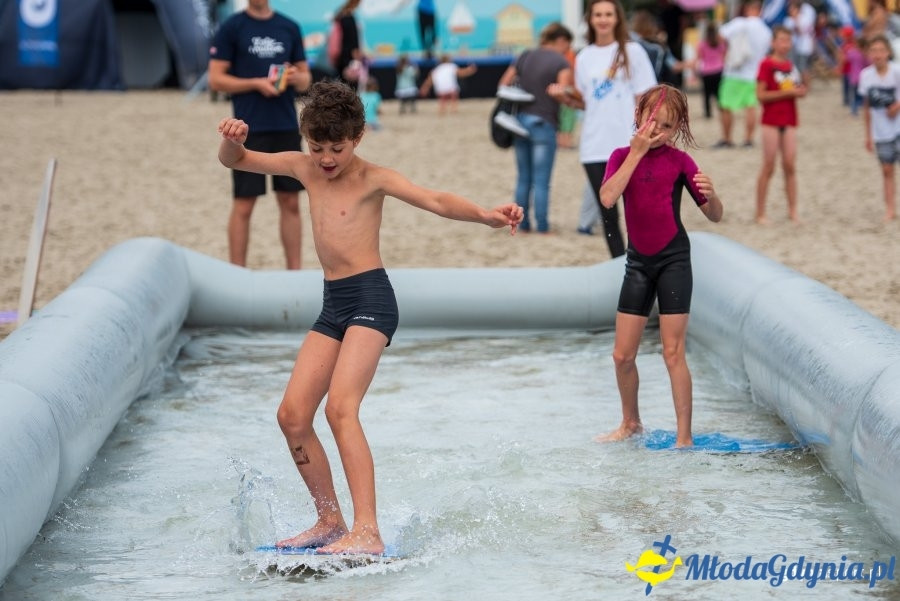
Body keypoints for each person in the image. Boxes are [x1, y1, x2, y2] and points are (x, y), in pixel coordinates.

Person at [216, 81, 523, 555]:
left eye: (336, 149)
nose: (326, 159)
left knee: (341, 408)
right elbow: (236, 161)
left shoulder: (374, 178)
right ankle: (329, 520)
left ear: (357, 137)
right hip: (333, 304)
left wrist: (486, 215)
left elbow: (435, 200)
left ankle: (368, 531)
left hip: (371, 300)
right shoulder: (302, 166)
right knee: (292, 416)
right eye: (317, 147)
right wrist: (231, 141)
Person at [596, 84, 724, 448]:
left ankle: (684, 438)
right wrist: (636, 153)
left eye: (667, 127)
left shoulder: (680, 162)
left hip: (673, 260)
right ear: (638, 116)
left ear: (677, 128)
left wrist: (713, 196)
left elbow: (714, 216)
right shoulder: (621, 156)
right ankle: (631, 422)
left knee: (672, 352)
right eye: (653, 122)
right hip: (638, 263)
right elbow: (608, 198)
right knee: (622, 355)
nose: (658, 132)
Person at [208, 0, 311, 270]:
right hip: (245, 128)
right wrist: (256, 83)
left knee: (290, 202)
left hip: (285, 124)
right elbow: (215, 79)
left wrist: (294, 77)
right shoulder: (232, 27)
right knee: (244, 203)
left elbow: (306, 79)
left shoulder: (289, 26)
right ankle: (237, 273)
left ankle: (294, 273)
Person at [548, 0, 657, 256]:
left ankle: (640, 265)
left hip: (628, 142)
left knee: (637, 211)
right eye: (598, 15)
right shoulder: (584, 57)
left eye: (608, 14)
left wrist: (646, 134)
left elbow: (646, 97)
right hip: (594, 144)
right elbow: (587, 101)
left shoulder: (632, 51)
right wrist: (564, 97)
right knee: (608, 214)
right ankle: (620, 264)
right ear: (590, 19)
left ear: (617, 18)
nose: (603, 19)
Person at [496, 22, 574, 234]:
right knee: (542, 181)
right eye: (567, 46)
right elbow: (564, 93)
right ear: (561, 40)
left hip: (520, 123)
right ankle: (542, 225)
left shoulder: (525, 55)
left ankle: (521, 224)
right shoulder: (561, 61)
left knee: (523, 178)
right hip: (544, 123)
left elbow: (504, 83)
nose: (567, 50)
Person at [755, 25, 807, 224]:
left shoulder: (791, 66)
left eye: (788, 40)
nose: (785, 44)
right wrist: (788, 93)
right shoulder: (766, 64)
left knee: (790, 165)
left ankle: (793, 210)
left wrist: (800, 91)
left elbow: (797, 89)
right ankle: (760, 212)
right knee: (769, 165)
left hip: (790, 119)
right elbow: (761, 95)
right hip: (771, 121)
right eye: (782, 40)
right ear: (773, 42)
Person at [715, 0, 773, 148]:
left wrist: (728, 48)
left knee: (725, 105)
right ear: (760, 10)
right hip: (754, 74)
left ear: (748, 8)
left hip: (733, 72)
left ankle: (727, 138)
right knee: (751, 107)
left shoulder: (739, 23)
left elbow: (720, 35)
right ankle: (748, 139)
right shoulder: (766, 30)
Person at [859, 34, 900, 221]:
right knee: (886, 170)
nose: (878, 54)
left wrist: (896, 107)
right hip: (880, 131)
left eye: (881, 50)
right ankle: (890, 209)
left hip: (898, 127)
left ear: (888, 52)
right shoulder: (866, 76)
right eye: (874, 50)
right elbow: (867, 107)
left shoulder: (896, 71)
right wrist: (868, 135)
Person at [695, 20, 727, 119]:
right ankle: (722, 108)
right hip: (719, 69)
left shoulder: (702, 44)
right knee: (719, 92)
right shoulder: (720, 43)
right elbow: (724, 56)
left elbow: (700, 57)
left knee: (706, 93)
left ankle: (708, 112)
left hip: (706, 71)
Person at [783, 0, 816, 84]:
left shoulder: (804, 18)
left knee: (803, 68)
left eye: (792, 8)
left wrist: (796, 20)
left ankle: (806, 86)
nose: (790, 10)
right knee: (794, 67)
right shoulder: (788, 20)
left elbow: (801, 31)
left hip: (804, 47)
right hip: (793, 47)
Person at [332, 0, 363, 87]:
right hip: (349, 57)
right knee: (351, 86)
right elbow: (353, 39)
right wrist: (357, 55)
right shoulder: (350, 18)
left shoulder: (340, 16)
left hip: (340, 56)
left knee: (341, 85)